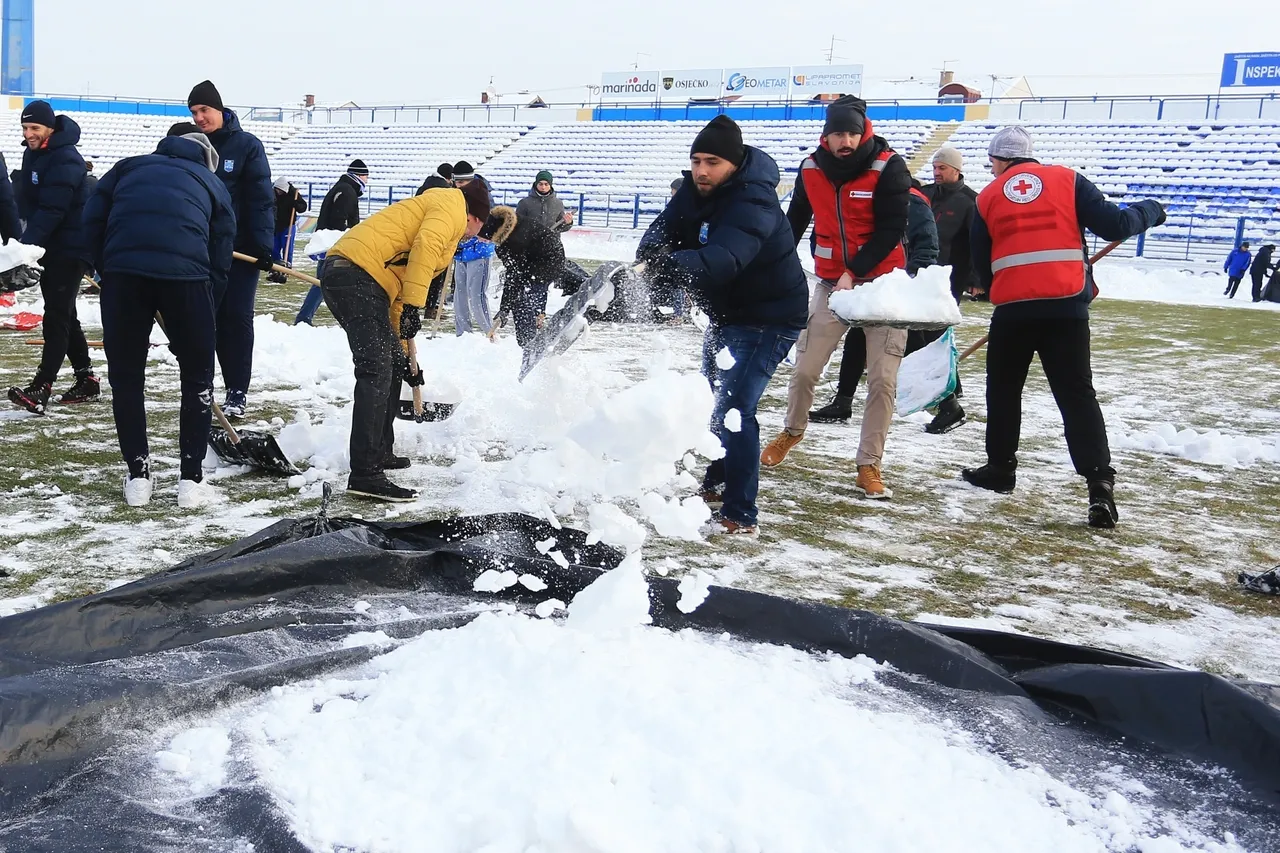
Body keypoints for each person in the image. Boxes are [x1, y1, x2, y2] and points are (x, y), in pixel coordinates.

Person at [962, 126, 1165, 529]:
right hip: (1065, 309)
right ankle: (1099, 485)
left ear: (998, 162)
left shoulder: (986, 197)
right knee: (1076, 396)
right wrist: (1150, 210)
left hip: (1014, 312)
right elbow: (1116, 225)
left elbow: (982, 269)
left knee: (1003, 392)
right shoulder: (1068, 179)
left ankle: (1000, 469)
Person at [638, 115, 808, 536]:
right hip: (728, 315)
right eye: (696, 160)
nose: (701, 170)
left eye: (712, 161)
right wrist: (657, 257)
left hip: (770, 319)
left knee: (735, 410)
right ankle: (717, 481)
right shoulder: (695, 193)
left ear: (733, 163)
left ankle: (741, 512)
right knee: (714, 404)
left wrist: (669, 264)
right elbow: (656, 236)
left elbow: (723, 261)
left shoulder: (754, 200)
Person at [762, 96, 911, 500]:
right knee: (806, 367)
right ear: (825, 136)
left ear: (864, 132)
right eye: (837, 134)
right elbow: (794, 220)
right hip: (831, 285)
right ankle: (791, 432)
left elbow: (891, 229)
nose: (845, 141)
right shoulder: (811, 168)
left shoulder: (889, 166)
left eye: (852, 133)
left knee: (882, 379)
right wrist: (773, 262)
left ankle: (869, 463)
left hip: (882, 286)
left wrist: (854, 271)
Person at [83, 121, 235, 509]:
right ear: (206, 158)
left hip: (123, 277)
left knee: (126, 377)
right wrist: (206, 292)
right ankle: (190, 481)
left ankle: (138, 478)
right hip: (186, 279)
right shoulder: (210, 181)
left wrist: (107, 266)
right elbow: (222, 244)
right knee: (198, 374)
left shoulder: (127, 167)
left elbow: (92, 219)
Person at [321, 179, 489, 502]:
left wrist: (404, 348)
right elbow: (426, 246)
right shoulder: (452, 206)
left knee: (392, 363)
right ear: (476, 217)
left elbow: (398, 287)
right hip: (356, 272)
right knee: (376, 369)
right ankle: (365, 474)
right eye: (479, 228)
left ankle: (381, 451)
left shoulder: (442, 214)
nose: (473, 235)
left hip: (366, 278)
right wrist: (417, 304)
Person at [811, 175, 939, 425]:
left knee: (912, 345)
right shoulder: (873, 200)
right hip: (873, 284)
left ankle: (948, 403)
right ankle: (843, 401)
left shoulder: (914, 203)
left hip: (896, 288)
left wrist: (907, 280)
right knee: (857, 340)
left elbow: (926, 246)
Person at [187, 80, 275, 420]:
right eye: (194, 112)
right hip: (201, 252)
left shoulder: (247, 146)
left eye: (204, 110)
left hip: (239, 253)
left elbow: (261, 199)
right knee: (203, 320)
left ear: (220, 109)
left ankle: (237, 390)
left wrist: (263, 246)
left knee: (236, 319)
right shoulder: (193, 146)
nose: (199, 118)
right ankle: (204, 386)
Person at [7, 101, 98, 414]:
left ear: (50, 128)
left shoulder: (65, 159)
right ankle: (87, 379)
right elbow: (25, 201)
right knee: (65, 314)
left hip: (71, 247)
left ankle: (41, 386)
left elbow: (52, 210)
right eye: (25, 128)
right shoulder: (33, 152)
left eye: (35, 128)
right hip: (51, 247)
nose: (29, 133)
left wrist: (25, 247)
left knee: (56, 315)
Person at [295, 159, 368, 325]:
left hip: (331, 243)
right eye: (366, 177)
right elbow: (339, 221)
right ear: (360, 176)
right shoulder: (347, 192)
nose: (367, 181)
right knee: (324, 282)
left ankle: (306, 317)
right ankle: (305, 318)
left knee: (326, 282)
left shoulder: (343, 188)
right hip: (334, 245)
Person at [481, 206, 565, 347]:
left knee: (523, 301)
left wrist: (504, 309)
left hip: (546, 264)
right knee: (523, 297)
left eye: (483, 238)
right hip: (540, 258)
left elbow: (514, 276)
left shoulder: (514, 242)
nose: (482, 241)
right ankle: (535, 324)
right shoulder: (508, 223)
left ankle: (528, 343)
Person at [453, 234, 495, 335]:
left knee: (476, 296)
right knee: (459, 294)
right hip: (461, 254)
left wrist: (464, 242)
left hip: (479, 251)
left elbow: (483, 226)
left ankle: (490, 333)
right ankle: (463, 333)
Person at [515, 170, 574, 236]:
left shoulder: (558, 203)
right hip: (531, 243)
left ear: (550, 185)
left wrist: (568, 223)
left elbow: (561, 227)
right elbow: (517, 226)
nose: (543, 187)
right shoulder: (524, 203)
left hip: (552, 243)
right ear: (536, 184)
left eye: (546, 184)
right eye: (540, 184)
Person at [271, 176, 308, 274]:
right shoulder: (272, 193)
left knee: (287, 247)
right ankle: (276, 266)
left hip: (288, 225)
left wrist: (297, 205)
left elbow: (303, 207)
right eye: (277, 190)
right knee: (274, 247)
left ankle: (287, 267)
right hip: (275, 224)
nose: (278, 192)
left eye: (280, 190)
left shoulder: (293, 193)